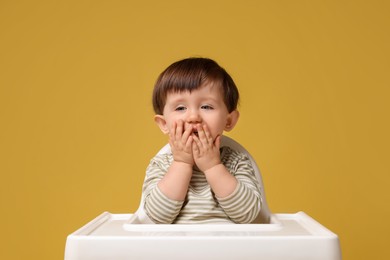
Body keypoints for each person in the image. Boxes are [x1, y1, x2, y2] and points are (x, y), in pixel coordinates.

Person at [142, 57, 262, 224]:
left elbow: (247, 215)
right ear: (164, 124)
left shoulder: (236, 161)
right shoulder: (161, 164)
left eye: (206, 107)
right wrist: (181, 163)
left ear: (229, 120)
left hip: (229, 248)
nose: (193, 117)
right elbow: (157, 217)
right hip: (175, 248)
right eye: (180, 108)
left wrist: (213, 166)